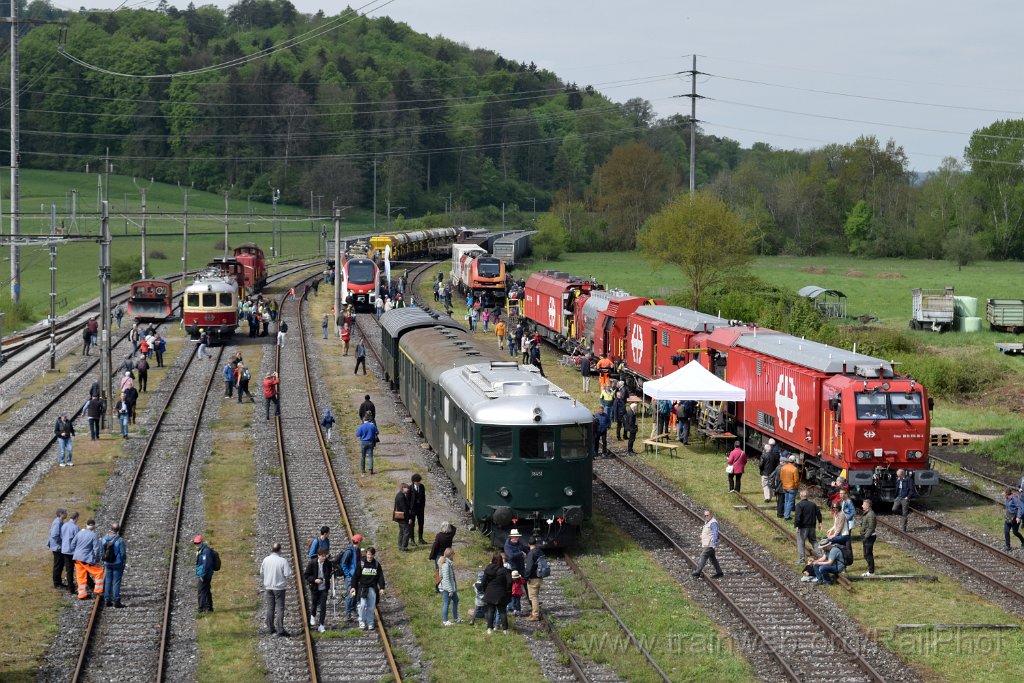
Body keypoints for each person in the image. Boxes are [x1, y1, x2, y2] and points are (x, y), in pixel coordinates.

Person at [260, 542, 292, 636]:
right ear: (280, 550)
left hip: (268, 587)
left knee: (270, 608)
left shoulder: (266, 559)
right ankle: (280, 629)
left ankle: (270, 628)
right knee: (280, 608)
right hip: (279, 588)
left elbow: (261, 572)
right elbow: (287, 573)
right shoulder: (282, 561)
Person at [352, 546, 385, 631]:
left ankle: (370, 622)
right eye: (369, 554)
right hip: (363, 587)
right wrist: (353, 587)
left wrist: (382, 587)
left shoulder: (377, 565)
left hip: (372, 588)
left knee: (371, 607)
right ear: (366, 554)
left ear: (374, 555)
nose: (370, 556)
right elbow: (355, 576)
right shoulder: (361, 564)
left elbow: (380, 577)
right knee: (362, 605)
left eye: (372, 555)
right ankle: (362, 621)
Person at [71, 518, 105, 600]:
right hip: (86, 559)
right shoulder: (94, 535)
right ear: (94, 526)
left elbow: (72, 545)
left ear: (86, 525)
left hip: (77, 558)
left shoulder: (79, 533)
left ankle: (82, 594)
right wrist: (97, 560)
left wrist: (76, 553)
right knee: (99, 571)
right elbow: (96, 549)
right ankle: (98, 591)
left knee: (81, 576)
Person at [303, 547, 334, 633]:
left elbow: (329, 574)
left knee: (323, 606)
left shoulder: (328, 563)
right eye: (322, 556)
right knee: (314, 603)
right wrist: (314, 580)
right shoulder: (312, 563)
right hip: (315, 587)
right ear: (318, 555)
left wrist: (326, 578)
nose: (324, 558)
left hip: (324, 588)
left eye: (325, 556)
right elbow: (306, 575)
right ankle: (313, 615)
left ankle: (321, 625)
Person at [481, 552, 512, 634]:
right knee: (502, 611)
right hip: (501, 593)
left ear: (492, 560)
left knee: (490, 610)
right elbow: (510, 582)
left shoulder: (488, 569)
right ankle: (505, 630)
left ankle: (489, 629)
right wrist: (507, 590)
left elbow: (483, 582)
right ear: (501, 560)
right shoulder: (505, 570)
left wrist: (485, 590)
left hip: (490, 592)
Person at [336, 534, 363, 622]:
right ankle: (348, 613)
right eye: (361, 541)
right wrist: (348, 575)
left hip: (356, 576)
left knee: (356, 593)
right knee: (350, 594)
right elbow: (343, 564)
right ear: (358, 542)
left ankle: (353, 608)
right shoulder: (349, 551)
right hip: (351, 577)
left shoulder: (357, 550)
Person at [691, 509, 724, 578]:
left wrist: (714, 543)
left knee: (703, 556)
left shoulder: (713, 523)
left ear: (711, 515)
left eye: (707, 515)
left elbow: (715, 533)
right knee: (712, 558)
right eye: (705, 515)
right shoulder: (707, 522)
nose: (706, 516)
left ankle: (698, 571)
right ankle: (719, 572)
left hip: (710, 544)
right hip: (707, 543)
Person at [101, 522, 127, 608]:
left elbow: (101, 551)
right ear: (118, 530)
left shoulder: (104, 538)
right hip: (117, 563)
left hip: (107, 563)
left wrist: (103, 560)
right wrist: (123, 561)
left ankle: (107, 600)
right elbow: (123, 554)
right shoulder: (120, 540)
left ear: (111, 528)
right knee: (116, 582)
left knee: (108, 581)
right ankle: (116, 601)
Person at [793, 489, 822, 565]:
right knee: (814, 541)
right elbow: (818, 513)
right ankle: (820, 555)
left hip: (803, 527)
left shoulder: (799, 505)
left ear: (800, 496)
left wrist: (797, 525)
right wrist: (820, 522)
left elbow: (798, 516)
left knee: (801, 542)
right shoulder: (813, 504)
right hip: (812, 527)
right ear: (807, 496)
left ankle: (801, 560)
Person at [428, 522, 457, 590]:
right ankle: (452, 587)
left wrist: (432, 555)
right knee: (449, 571)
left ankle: (438, 588)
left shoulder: (439, 535)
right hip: (448, 555)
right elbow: (454, 528)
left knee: (438, 571)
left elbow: (435, 546)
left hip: (439, 556)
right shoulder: (451, 535)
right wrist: (449, 524)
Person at [523, 537, 545, 622]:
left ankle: (535, 615)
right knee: (536, 595)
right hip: (540, 577)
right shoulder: (540, 551)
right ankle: (534, 613)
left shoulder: (531, 554)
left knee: (533, 597)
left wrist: (525, 578)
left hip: (533, 578)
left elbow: (528, 568)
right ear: (535, 543)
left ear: (528, 544)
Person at [439, 548, 461, 625]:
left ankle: (456, 618)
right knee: (446, 603)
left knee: (456, 600)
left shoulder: (448, 563)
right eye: (453, 554)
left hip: (451, 587)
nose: (453, 556)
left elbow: (441, 575)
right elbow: (445, 578)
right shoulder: (445, 564)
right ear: (450, 555)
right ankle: (445, 621)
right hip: (448, 588)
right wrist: (450, 590)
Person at [194, 535, 216, 612]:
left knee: (201, 591)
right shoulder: (201, 550)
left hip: (205, 575)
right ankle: (209, 608)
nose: (196, 544)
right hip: (204, 574)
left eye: (198, 543)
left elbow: (207, 565)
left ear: (202, 542)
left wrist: (202, 576)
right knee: (206, 591)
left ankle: (201, 609)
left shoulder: (206, 552)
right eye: (195, 543)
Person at [61, 512, 80, 595]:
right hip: (73, 551)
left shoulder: (64, 525)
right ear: (76, 517)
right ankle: (83, 584)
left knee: (69, 570)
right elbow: (78, 540)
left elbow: (62, 536)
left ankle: (70, 588)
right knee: (79, 568)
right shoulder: (75, 527)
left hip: (64, 550)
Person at [48, 509, 68, 589]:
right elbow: (55, 535)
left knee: (60, 565)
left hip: (58, 547)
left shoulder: (59, 522)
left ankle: (58, 582)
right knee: (58, 565)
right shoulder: (58, 522)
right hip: (57, 548)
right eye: (65, 513)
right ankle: (57, 583)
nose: (66, 514)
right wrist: (62, 543)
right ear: (61, 514)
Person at [394, 483, 413, 551]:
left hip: (399, 517)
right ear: (403, 488)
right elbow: (405, 509)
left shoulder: (398, 495)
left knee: (401, 532)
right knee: (406, 532)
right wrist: (409, 518)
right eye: (407, 488)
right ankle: (404, 547)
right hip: (403, 518)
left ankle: (400, 546)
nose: (408, 489)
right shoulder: (402, 497)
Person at [781, 455, 800, 520]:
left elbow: (781, 477)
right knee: (790, 502)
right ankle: (787, 516)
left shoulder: (783, 467)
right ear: (794, 461)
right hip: (792, 488)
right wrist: (797, 487)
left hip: (785, 487)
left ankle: (785, 513)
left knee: (786, 501)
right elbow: (796, 480)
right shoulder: (794, 469)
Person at [861, 499, 877, 576]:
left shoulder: (870, 514)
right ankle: (870, 570)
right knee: (866, 554)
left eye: (863, 504)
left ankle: (871, 572)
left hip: (869, 537)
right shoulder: (867, 513)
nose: (862, 505)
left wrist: (866, 536)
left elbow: (871, 527)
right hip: (867, 536)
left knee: (868, 554)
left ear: (867, 505)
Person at [410, 473, 427, 545]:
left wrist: (422, 506)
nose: (419, 482)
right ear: (414, 481)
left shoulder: (422, 487)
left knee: (421, 524)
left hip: (420, 509)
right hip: (413, 510)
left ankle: (420, 538)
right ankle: (412, 540)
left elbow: (423, 497)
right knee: (412, 525)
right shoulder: (410, 488)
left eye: (420, 481)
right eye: (418, 481)